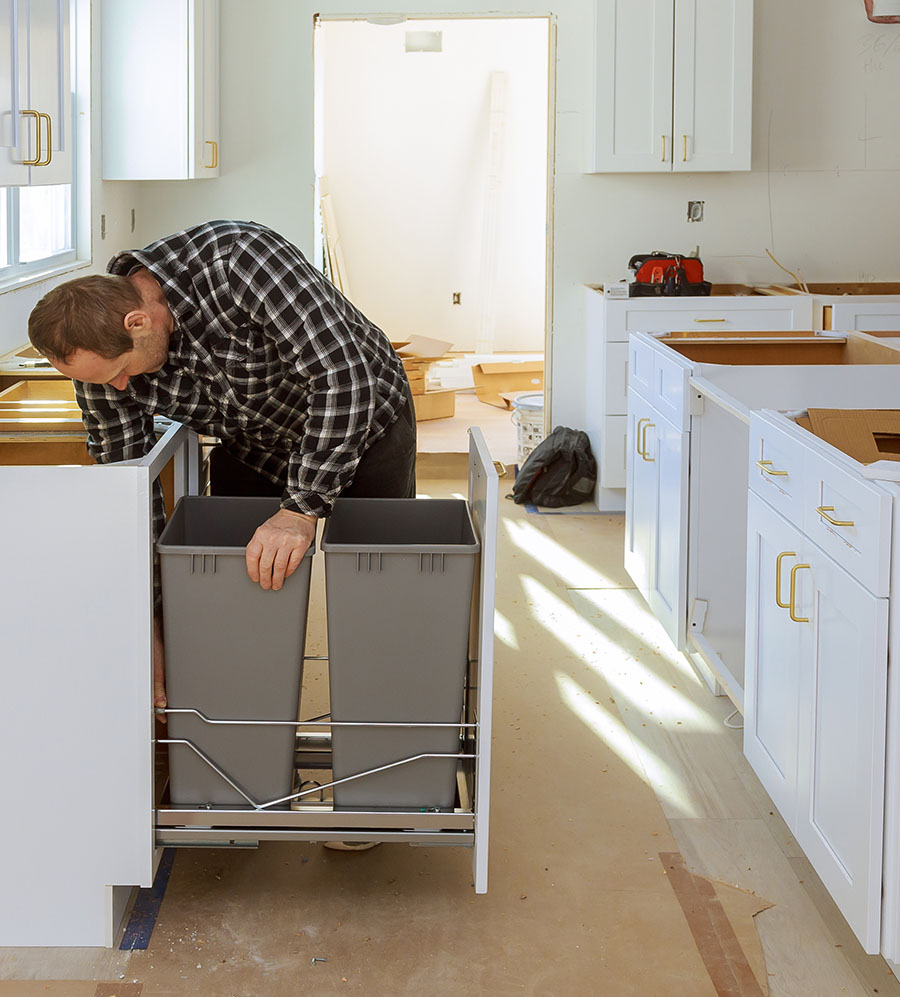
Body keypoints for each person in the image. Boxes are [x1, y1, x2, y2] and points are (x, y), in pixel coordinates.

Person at [27, 219, 417, 722]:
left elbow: (343, 378)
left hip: (364, 422)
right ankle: (250, 725)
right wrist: (149, 620)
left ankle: (384, 725)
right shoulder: (101, 367)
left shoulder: (238, 262)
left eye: (122, 373)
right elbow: (125, 488)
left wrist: (300, 510)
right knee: (239, 592)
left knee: (379, 584)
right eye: (106, 382)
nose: (120, 389)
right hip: (255, 442)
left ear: (138, 322)